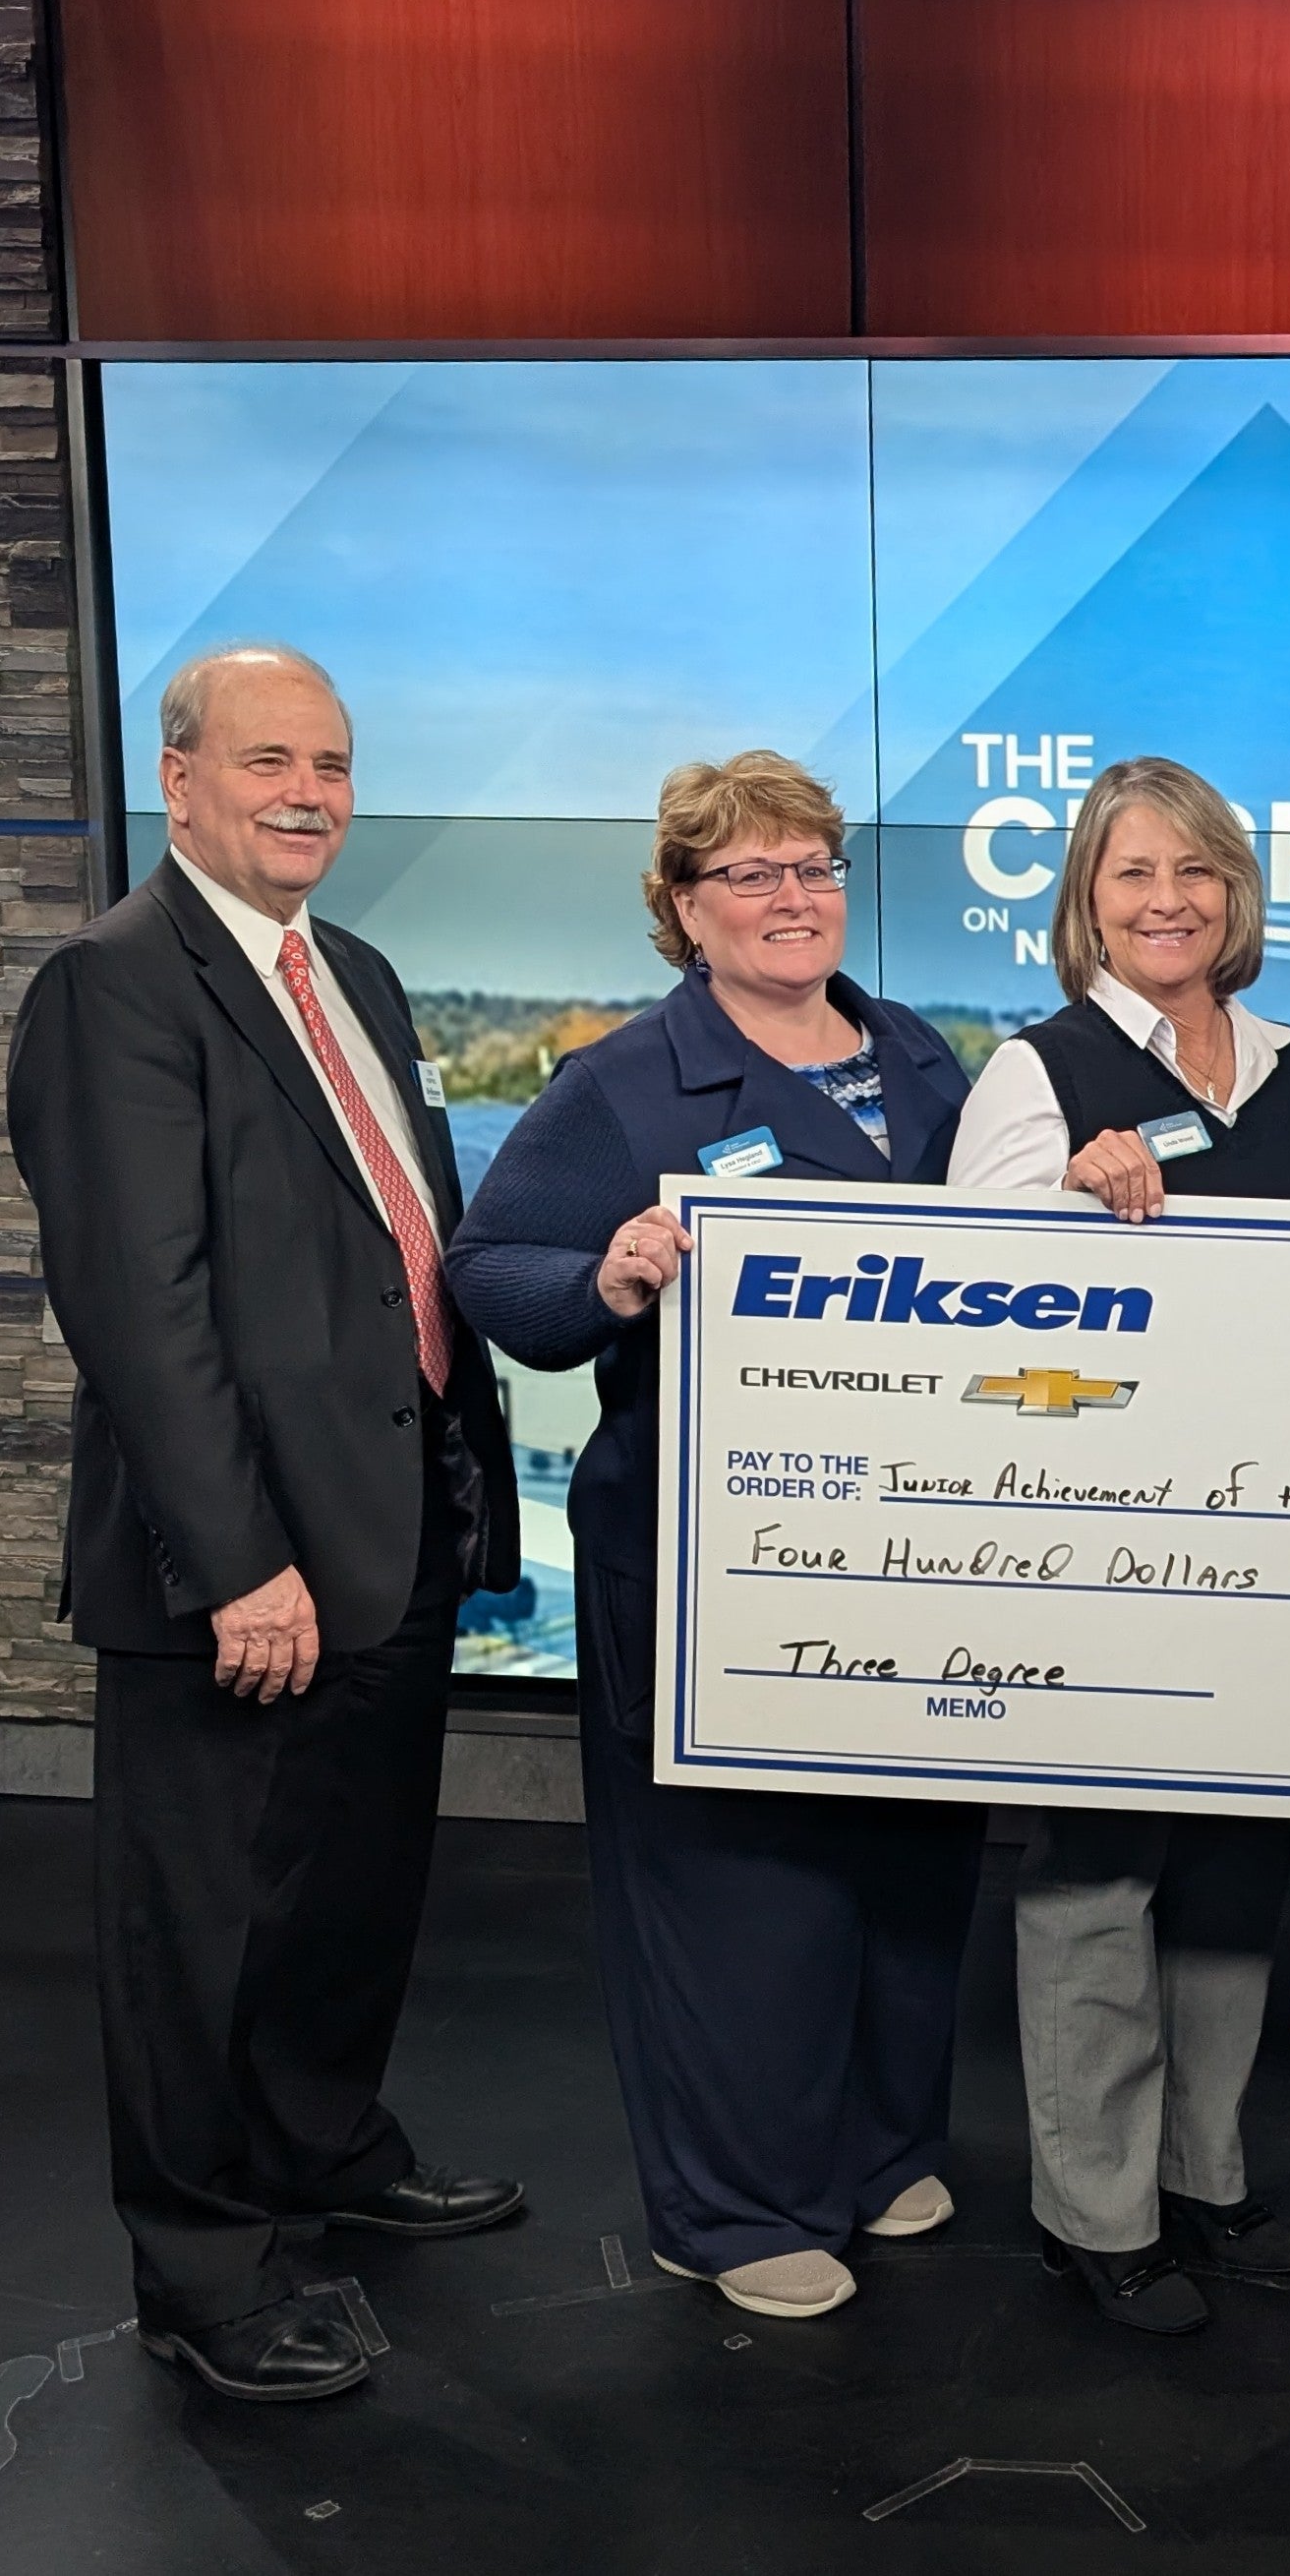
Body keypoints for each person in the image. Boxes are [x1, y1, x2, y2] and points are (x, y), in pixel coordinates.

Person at [6, 643, 525, 2405]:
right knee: (201, 1925)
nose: (306, 790)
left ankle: (323, 2149)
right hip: (240, 1568)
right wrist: (236, 1560)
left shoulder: (355, 974)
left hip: (394, 1538)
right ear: (183, 777)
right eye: (267, 759)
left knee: (345, 1895)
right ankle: (204, 2265)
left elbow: (390, 1255)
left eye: (331, 760)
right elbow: (138, 1308)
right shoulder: (115, 985)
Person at [444, 751, 983, 2328]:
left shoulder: (924, 1061)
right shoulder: (620, 1084)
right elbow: (490, 1268)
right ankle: (732, 2206)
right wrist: (603, 1280)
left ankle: (880, 2146)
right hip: (702, 1558)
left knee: (903, 1856)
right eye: (748, 874)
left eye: (812, 865)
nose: (791, 897)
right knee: (742, 1887)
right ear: (683, 907)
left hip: (909, 1543)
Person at [946, 757, 1290, 2335]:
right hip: (1093, 1542)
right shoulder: (1036, 1074)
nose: (1165, 897)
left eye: (1193, 870)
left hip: (1266, 1528)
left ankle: (1202, 2172)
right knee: (1101, 1864)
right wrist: (1058, 1198)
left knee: (1238, 1862)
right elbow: (963, 1319)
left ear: (1236, 891)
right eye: (1130, 873)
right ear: (1083, 902)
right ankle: (1095, 2208)